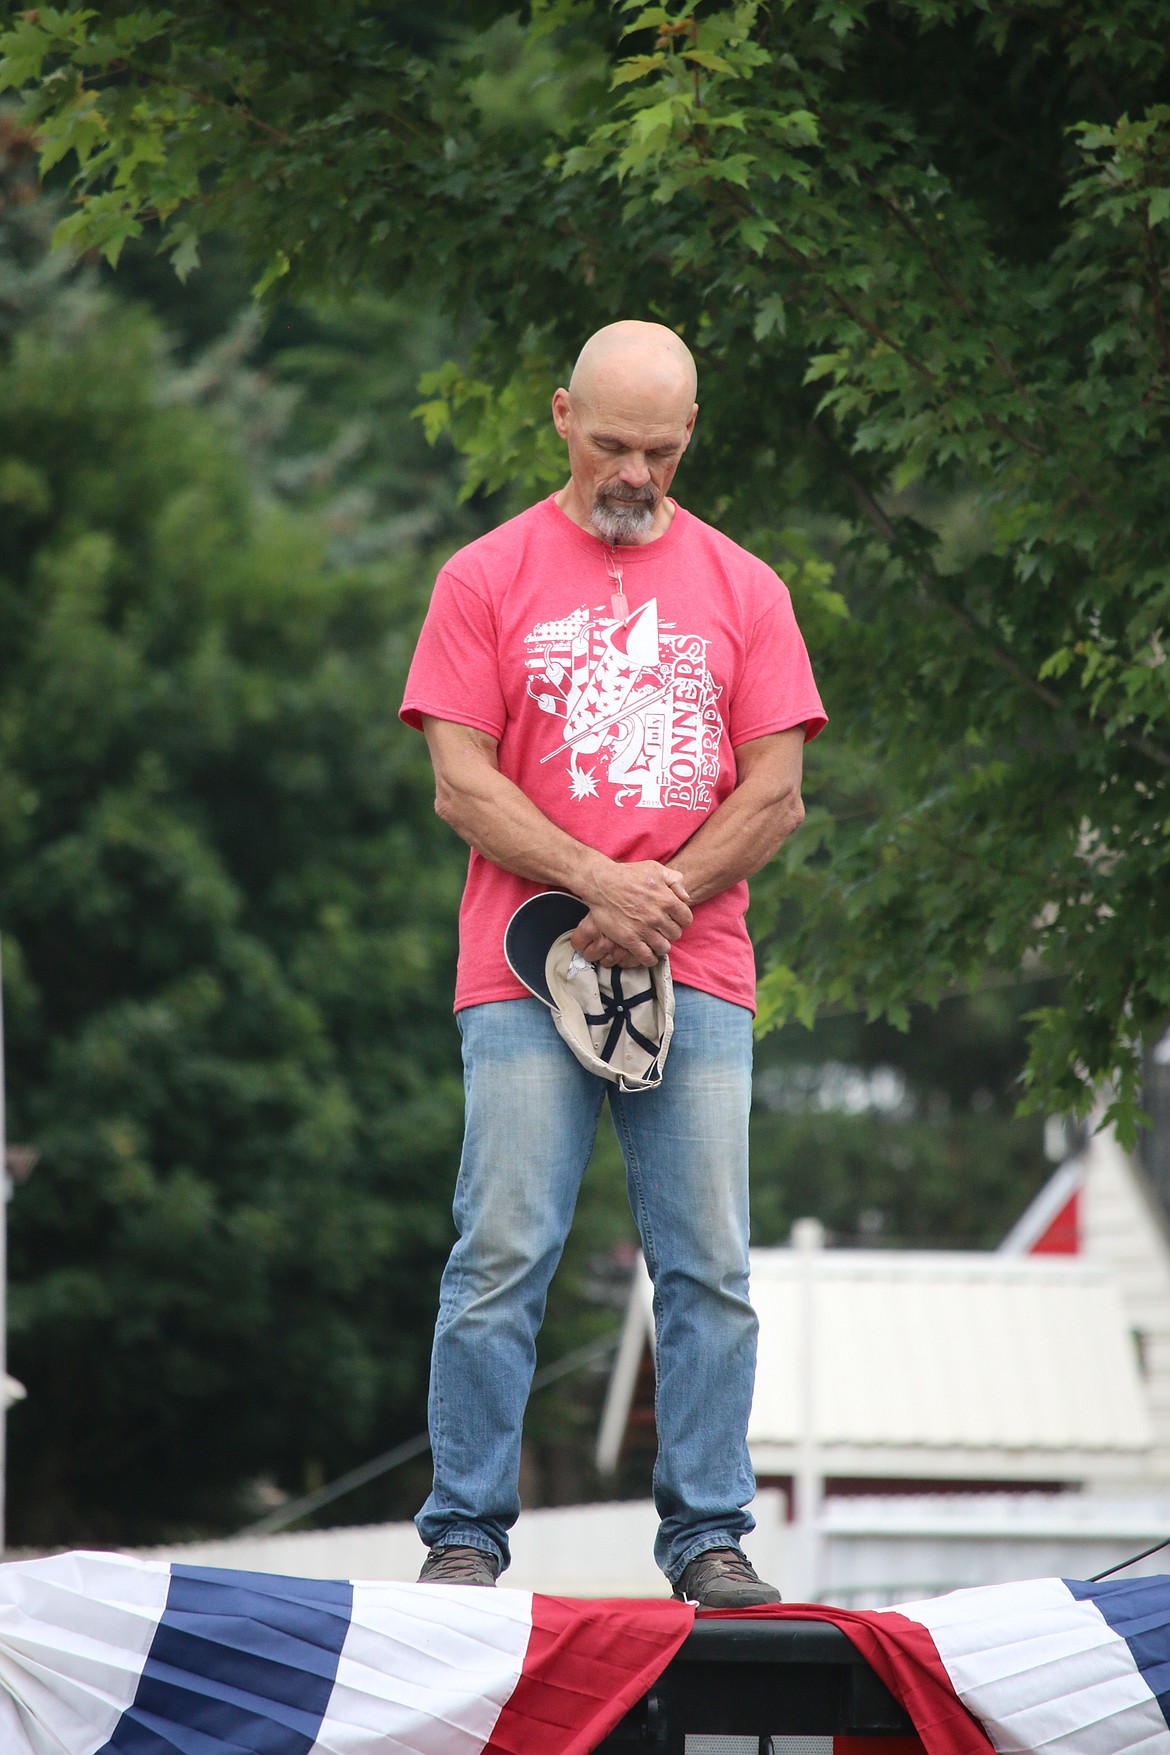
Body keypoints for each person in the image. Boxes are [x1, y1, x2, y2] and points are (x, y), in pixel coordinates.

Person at [399, 320, 826, 1605]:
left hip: (695, 968)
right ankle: (463, 1533)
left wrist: (665, 896)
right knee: (503, 1248)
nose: (635, 472)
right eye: (611, 443)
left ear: (688, 438)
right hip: (526, 967)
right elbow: (460, 783)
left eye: (660, 449)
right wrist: (596, 882)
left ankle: (708, 1540)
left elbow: (781, 794)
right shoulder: (486, 574)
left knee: (707, 1262)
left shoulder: (747, 587)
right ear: (559, 417)